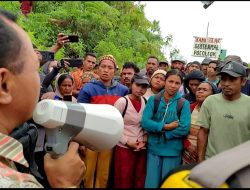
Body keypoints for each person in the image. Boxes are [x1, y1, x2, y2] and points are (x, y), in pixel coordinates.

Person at [0, 8, 85, 188]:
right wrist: (65, 185)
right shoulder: (17, 183)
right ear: (4, 85)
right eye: (34, 66)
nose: (38, 78)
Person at [77, 54, 129, 188]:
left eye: (110, 67)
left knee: (104, 172)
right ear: (97, 69)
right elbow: (79, 114)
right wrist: (80, 141)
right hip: (90, 136)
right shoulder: (88, 88)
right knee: (87, 171)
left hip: (109, 136)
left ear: (115, 70)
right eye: (103, 66)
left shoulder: (123, 90)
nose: (106, 70)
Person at [142, 69, 191, 188]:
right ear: (165, 82)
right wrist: (164, 126)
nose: (173, 86)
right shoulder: (154, 100)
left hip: (172, 152)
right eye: (170, 81)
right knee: (151, 184)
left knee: (168, 184)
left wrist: (165, 134)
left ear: (180, 85)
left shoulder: (183, 103)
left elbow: (184, 128)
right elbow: (145, 122)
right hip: (154, 150)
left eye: (177, 83)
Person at [197, 61, 250, 163]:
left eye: (232, 79)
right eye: (223, 79)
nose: (226, 83)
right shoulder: (210, 101)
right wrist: (200, 160)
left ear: (243, 81)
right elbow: (203, 132)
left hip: (240, 166)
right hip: (212, 163)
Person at [113, 72, 149, 188]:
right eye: (138, 85)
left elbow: (145, 124)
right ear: (131, 84)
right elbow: (113, 125)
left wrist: (145, 138)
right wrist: (127, 142)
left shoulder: (146, 101)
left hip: (141, 146)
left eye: (144, 87)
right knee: (123, 178)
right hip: (124, 146)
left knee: (139, 178)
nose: (140, 89)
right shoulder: (122, 102)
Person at [182, 81, 218, 165]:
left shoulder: (216, 111)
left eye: (204, 90)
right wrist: (187, 145)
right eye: (199, 89)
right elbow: (181, 129)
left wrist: (200, 150)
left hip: (207, 154)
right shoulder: (189, 107)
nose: (200, 91)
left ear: (213, 94)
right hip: (187, 152)